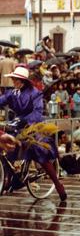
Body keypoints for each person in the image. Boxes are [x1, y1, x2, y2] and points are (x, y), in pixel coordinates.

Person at [0, 67, 66, 201]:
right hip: (17, 122)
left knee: (38, 150)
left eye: (16, 79)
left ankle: (57, 184)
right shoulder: (11, 93)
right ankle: (11, 175)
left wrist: (24, 120)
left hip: (33, 124)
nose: (14, 81)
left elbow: (37, 112)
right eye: (13, 79)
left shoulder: (35, 93)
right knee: (7, 143)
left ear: (23, 81)